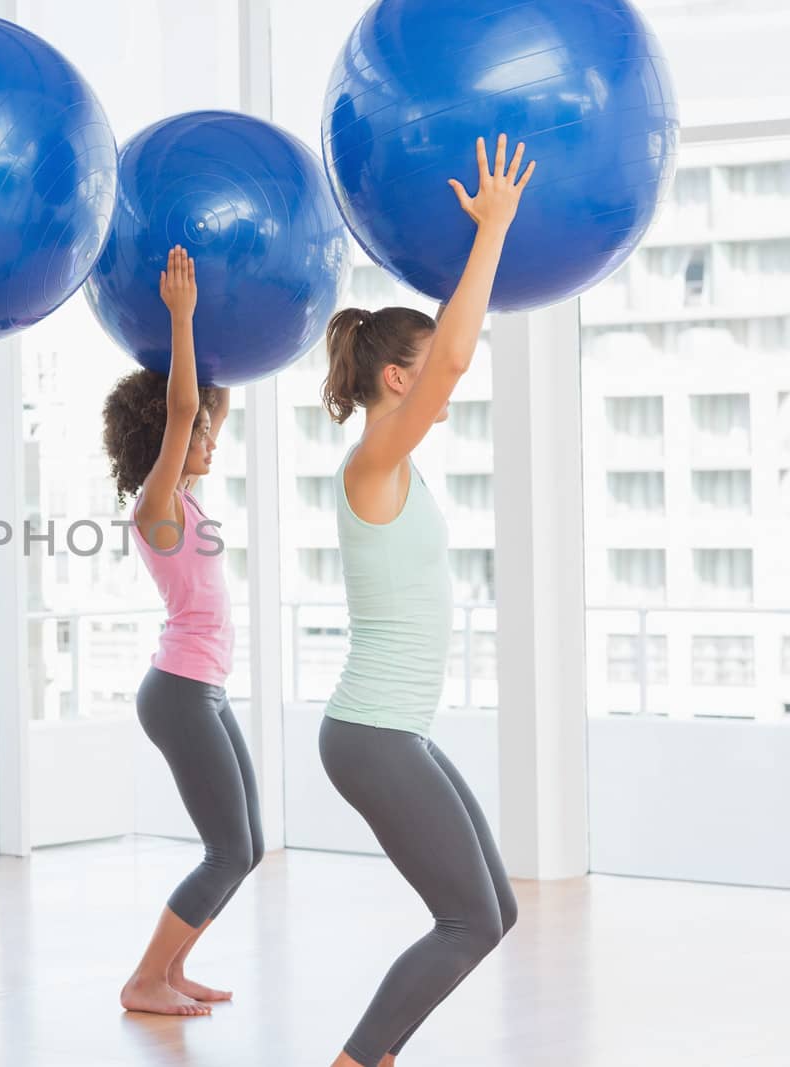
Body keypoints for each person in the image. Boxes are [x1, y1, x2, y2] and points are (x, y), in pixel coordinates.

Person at [319, 135, 534, 1067]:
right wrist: (491, 232)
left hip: (394, 729)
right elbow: (449, 363)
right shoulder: (371, 462)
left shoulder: (397, 465)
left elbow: (441, 358)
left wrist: (467, 252)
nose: (450, 385)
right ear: (397, 380)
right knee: (467, 920)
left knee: (500, 909)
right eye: (432, 372)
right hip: (370, 732)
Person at [102, 246, 260, 1018]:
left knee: (247, 844)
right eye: (199, 436)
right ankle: (145, 978)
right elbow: (186, 411)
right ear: (164, 441)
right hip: (180, 691)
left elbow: (210, 403)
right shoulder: (155, 502)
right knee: (226, 848)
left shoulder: (185, 496)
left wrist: (216, 323)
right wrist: (180, 316)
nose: (211, 441)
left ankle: (173, 967)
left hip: (204, 686)